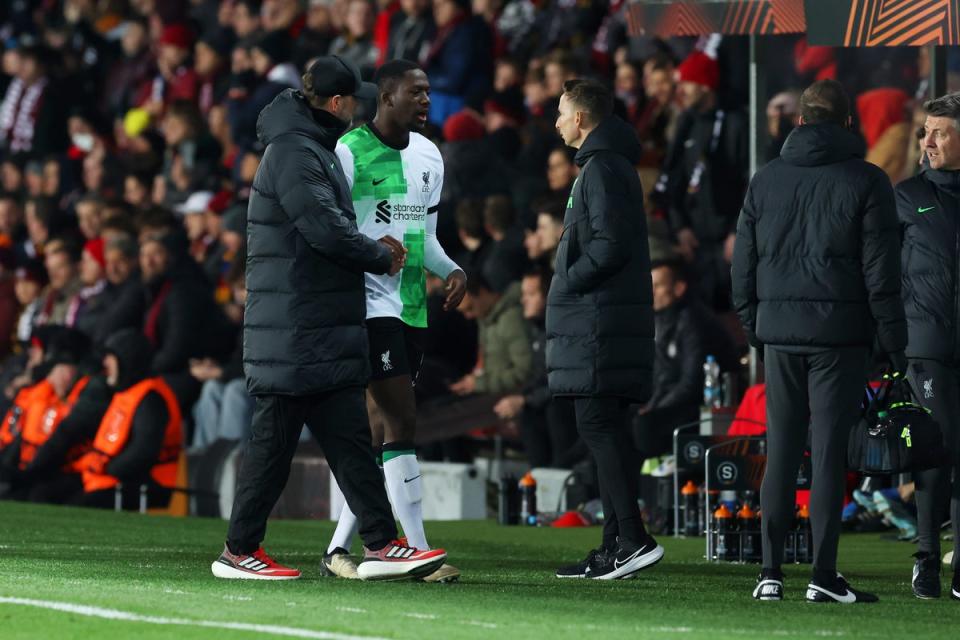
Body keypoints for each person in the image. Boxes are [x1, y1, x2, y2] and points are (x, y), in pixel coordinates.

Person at [213, 56, 446, 582]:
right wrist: (378, 254)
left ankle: (383, 545)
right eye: (354, 101)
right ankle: (238, 550)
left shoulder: (306, 148)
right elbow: (324, 229)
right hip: (296, 328)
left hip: (314, 326)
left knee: (352, 445)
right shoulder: (296, 152)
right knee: (274, 449)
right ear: (337, 104)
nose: (358, 109)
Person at [732, 79, 906, 603]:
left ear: (800, 121)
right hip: (840, 335)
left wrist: (755, 328)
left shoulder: (766, 180)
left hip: (779, 335)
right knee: (830, 451)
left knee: (781, 449)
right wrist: (894, 346)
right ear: (849, 124)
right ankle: (822, 577)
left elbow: (743, 265)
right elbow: (882, 275)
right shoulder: (868, 180)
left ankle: (769, 572)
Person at [323, 59, 466, 583]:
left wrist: (451, 270)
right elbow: (332, 229)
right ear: (386, 97)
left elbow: (424, 236)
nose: (427, 101)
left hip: (411, 305)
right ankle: (418, 552)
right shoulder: (348, 152)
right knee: (400, 420)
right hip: (365, 303)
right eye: (417, 93)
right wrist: (367, 250)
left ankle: (338, 548)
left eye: (429, 93)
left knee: (384, 429)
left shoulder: (430, 156)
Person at [548, 78, 663, 579]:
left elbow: (610, 245)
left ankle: (633, 539)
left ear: (580, 119)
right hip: (603, 322)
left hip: (599, 322)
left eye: (560, 112)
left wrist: (569, 279)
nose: (554, 122)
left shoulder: (602, 168)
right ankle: (615, 543)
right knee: (605, 428)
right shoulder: (606, 165)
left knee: (598, 426)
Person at [894, 92, 960, 600]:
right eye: (926, 131)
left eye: (939, 131)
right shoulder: (906, 194)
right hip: (928, 346)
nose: (928, 140)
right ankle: (925, 559)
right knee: (938, 447)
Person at [635, 259, 737, 464]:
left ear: (679, 288)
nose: (651, 292)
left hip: (700, 405)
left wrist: (655, 408)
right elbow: (660, 376)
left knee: (643, 427)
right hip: (671, 400)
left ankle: (653, 486)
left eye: (658, 286)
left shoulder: (694, 321)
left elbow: (691, 382)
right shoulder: (660, 320)